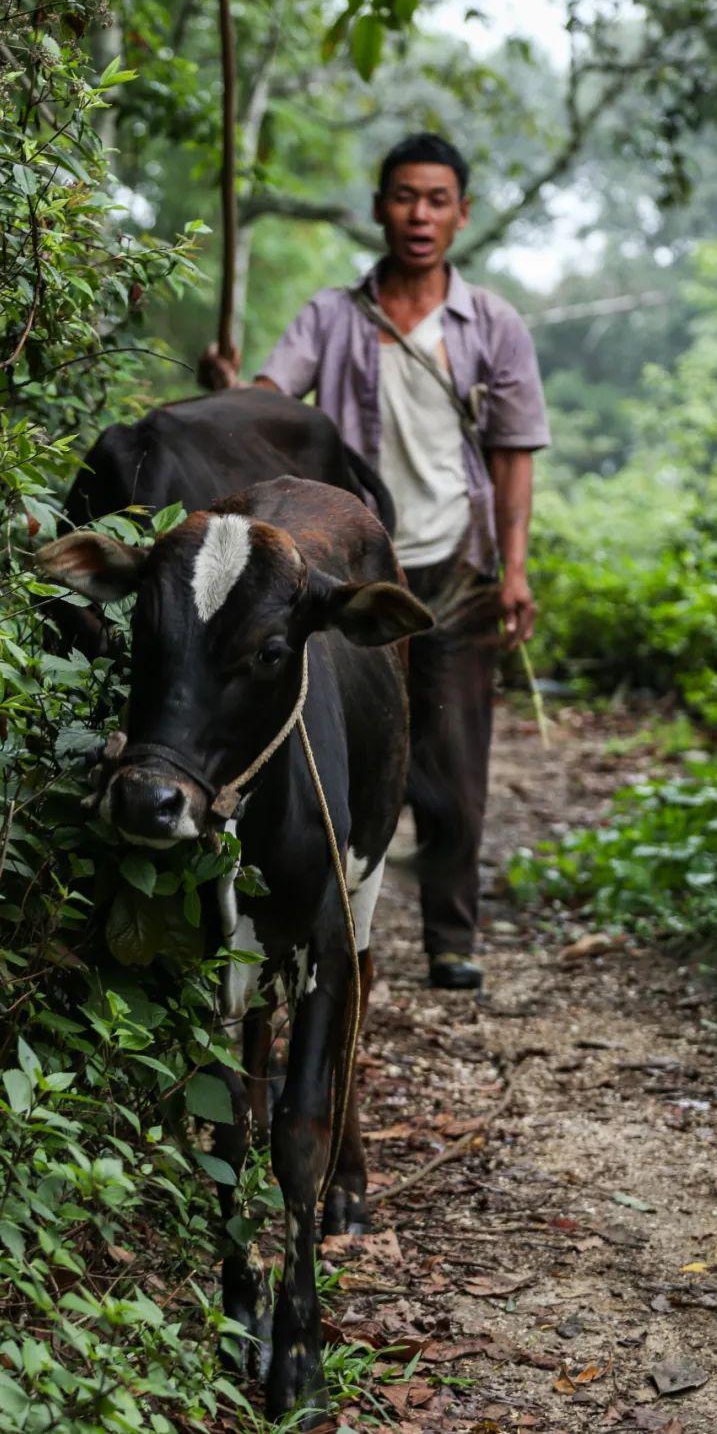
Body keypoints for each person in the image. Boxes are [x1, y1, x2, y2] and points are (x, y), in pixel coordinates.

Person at [202, 132, 550, 990]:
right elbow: (275, 400)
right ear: (379, 207)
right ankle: (335, 915)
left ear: (462, 214)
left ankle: (451, 936)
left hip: (455, 567)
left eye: (436, 199)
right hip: (355, 570)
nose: (419, 214)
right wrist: (234, 390)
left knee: (456, 762)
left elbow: (513, 453)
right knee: (342, 747)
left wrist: (514, 569)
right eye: (403, 196)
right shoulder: (334, 314)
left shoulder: (491, 324)